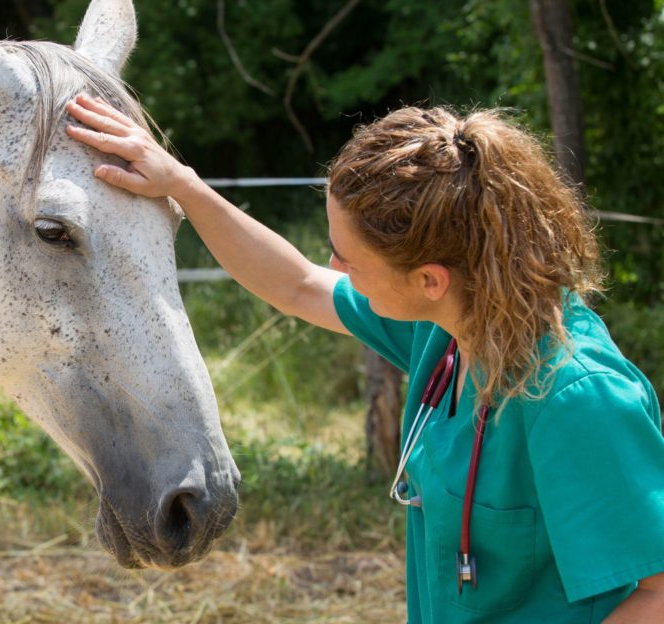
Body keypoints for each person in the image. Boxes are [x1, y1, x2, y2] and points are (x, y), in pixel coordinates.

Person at [65, 94, 664, 623]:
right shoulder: (451, 329)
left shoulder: (575, 397)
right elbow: (297, 285)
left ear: (430, 279)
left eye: (349, 259)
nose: (335, 270)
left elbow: (659, 594)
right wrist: (182, 185)